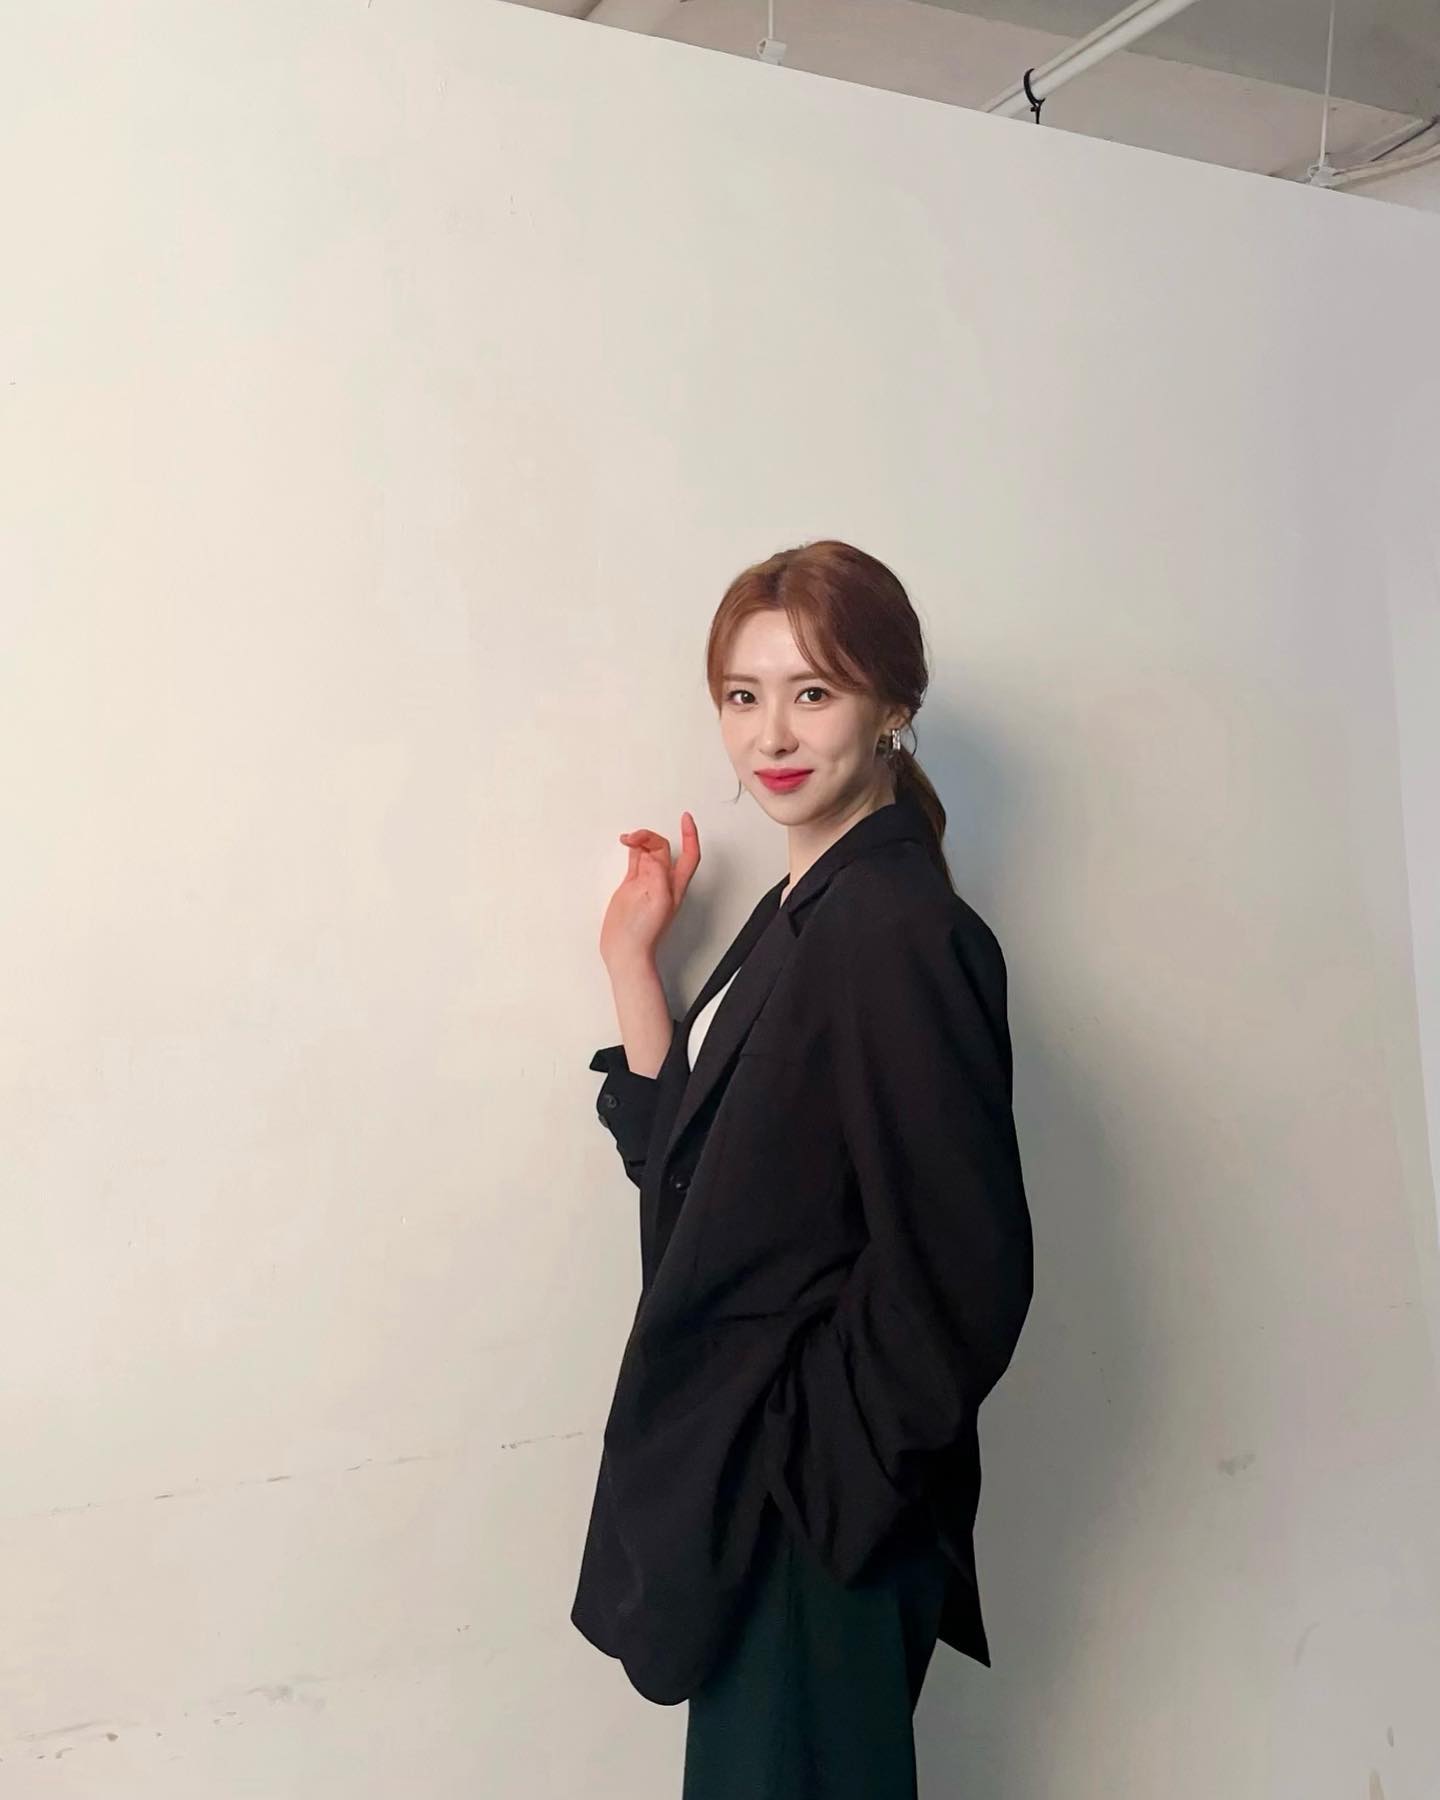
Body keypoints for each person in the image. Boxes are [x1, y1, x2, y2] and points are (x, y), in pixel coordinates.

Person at [572, 539, 1034, 1798]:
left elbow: (964, 1272)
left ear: (892, 706)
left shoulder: (898, 929)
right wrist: (632, 966)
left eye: (812, 692)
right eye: (743, 694)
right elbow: (697, 1180)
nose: (771, 733)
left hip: (815, 1516)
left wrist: (811, 1477)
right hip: (754, 1504)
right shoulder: (801, 913)